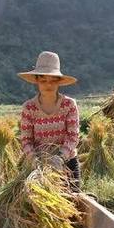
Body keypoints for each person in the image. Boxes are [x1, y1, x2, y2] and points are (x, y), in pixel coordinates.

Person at [18, 51, 81, 191]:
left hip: (67, 165)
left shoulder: (69, 105)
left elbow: (73, 136)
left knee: (73, 207)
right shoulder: (29, 108)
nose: (48, 85)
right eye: (43, 80)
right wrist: (35, 160)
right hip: (39, 166)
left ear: (59, 81)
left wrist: (60, 158)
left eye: (53, 80)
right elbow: (26, 140)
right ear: (37, 81)